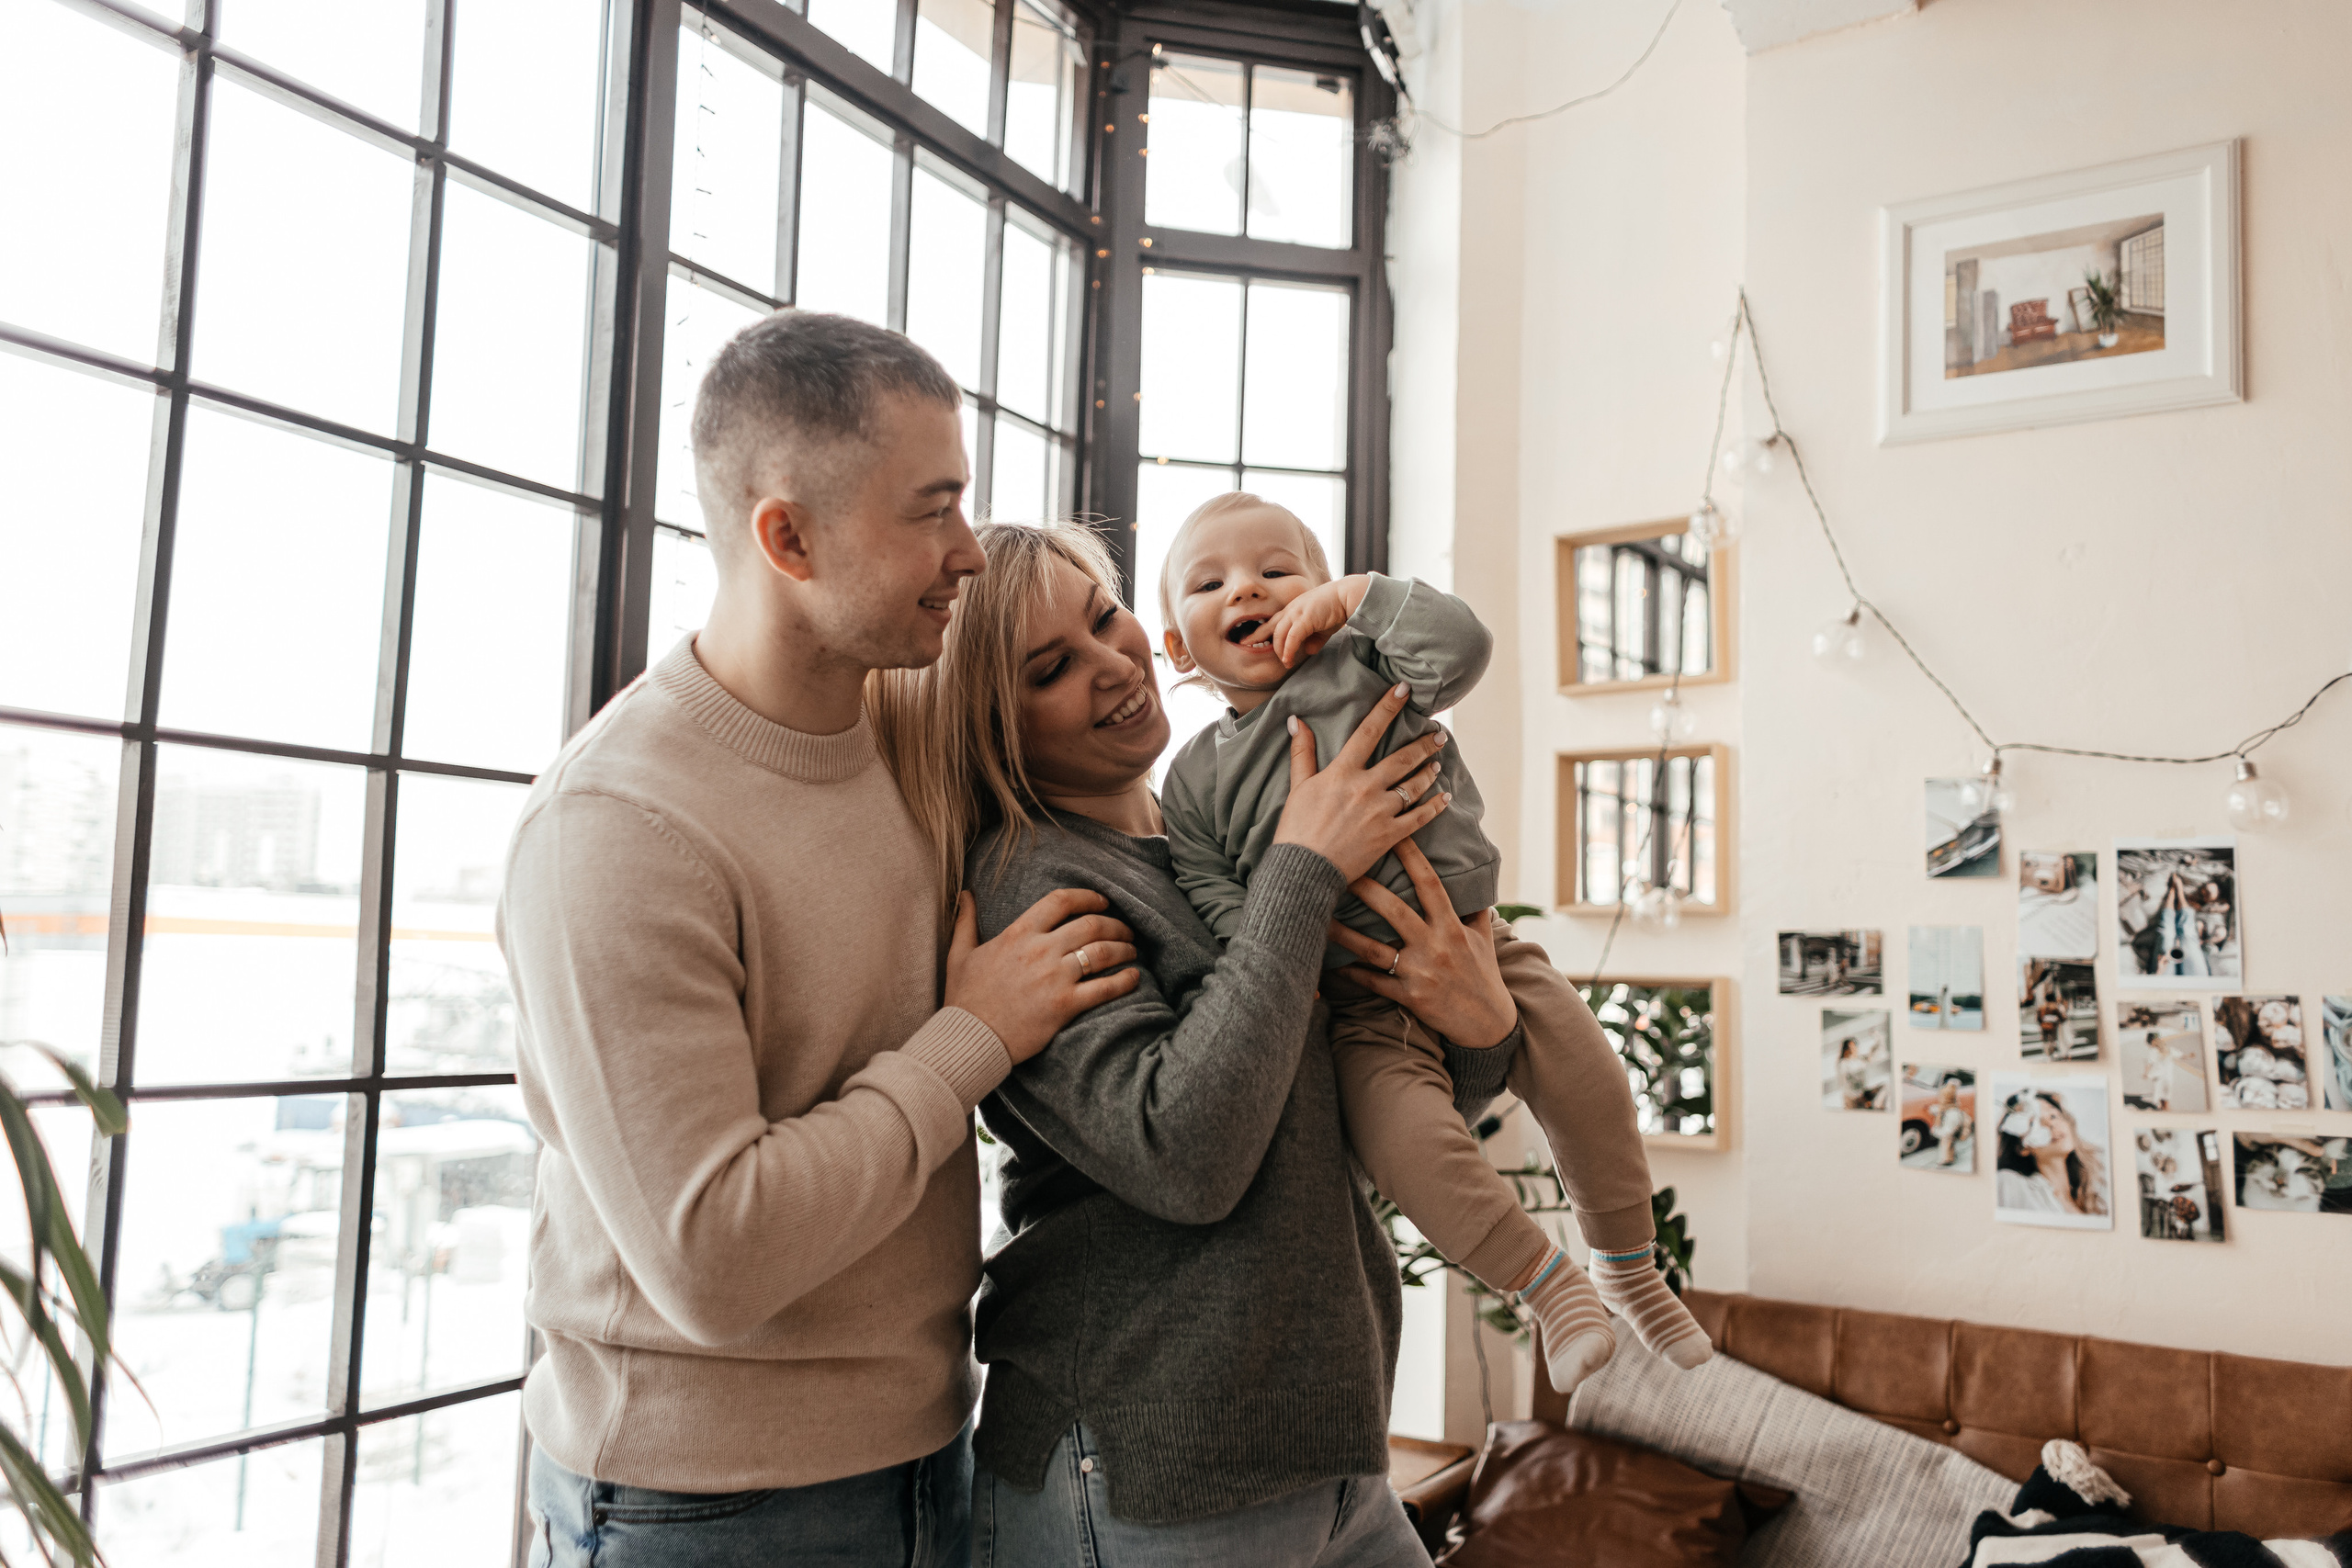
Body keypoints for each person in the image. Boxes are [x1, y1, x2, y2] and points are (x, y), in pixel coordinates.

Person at [500, 313, 1138, 1567]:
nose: (969, 551)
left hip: (927, 1448)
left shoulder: (900, 753)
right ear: (786, 536)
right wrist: (971, 1037)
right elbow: (711, 1257)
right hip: (702, 1504)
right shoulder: (616, 825)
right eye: (932, 510)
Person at [869, 521, 1528, 1566]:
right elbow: (1189, 1156)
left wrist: (1485, 1023)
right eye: (1051, 669)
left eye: (1101, 619)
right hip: (1148, 1470)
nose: (1112, 666)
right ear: (994, 728)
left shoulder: (1213, 838)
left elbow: (1388, 1099)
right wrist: (1305, 868)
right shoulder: (1032, 887)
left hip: (1330, 1452)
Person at [1148, 492, 1710, 1396]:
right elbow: (1212, 894)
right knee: (1410, 1149)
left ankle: (1628, 1266)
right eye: (1209, 583)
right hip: (1357, 998)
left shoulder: (1363, 663)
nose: (1245, 588)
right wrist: (1284, 955)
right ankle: (1549, 1287)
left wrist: (1365, 598)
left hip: (1487, 945)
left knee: (1592, 1079)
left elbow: (1463, 648)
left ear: (1321, 594)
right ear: (1177, 644)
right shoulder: (1191, 780)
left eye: (1276, 570)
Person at [1995, 1089, 2108, 1216]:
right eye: (2032, 1123)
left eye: (2053, 1116)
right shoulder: (2010, 1184)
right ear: (2022, 1148)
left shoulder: (2098, 1199)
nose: (2050, 1124)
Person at [1931, 1079, 1971, 1167]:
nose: (1940, 1099)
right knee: (1949, 1142)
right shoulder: (1948, 1107)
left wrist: (1936, 1130)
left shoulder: (1952, 1113)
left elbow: (1948, 1132)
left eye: (1942, 1097)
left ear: (1947, 1098)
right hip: (1949, 1131)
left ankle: (1947, 1160)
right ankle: (1949, 1157)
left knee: (1947, 1142)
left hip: (1948, 1133)